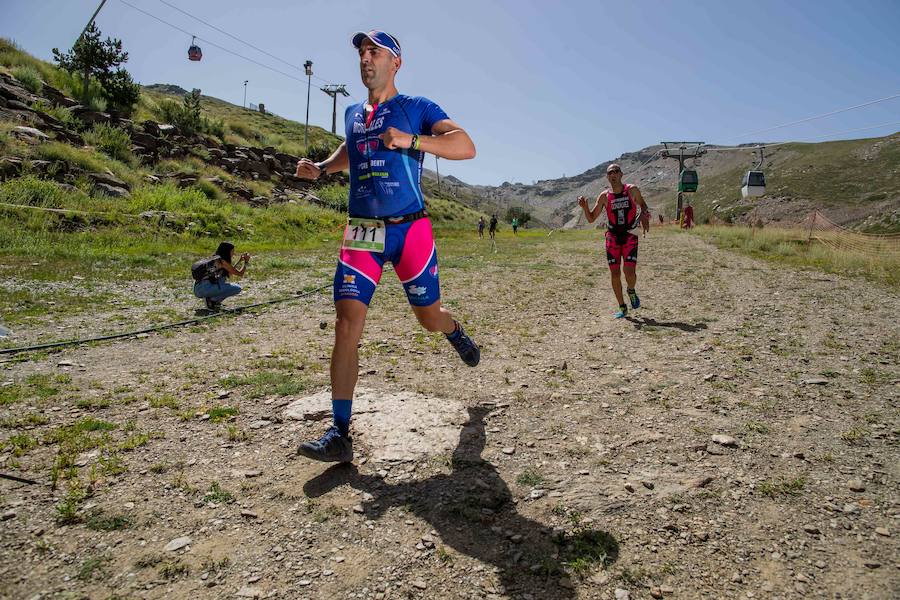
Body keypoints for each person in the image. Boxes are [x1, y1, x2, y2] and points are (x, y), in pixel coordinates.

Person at [293, 30, 480, 463]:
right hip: (362, 232)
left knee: (428, 318)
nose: (365, 58)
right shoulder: (353, 112)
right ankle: (340, 432)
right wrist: (322, 168)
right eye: (361, 51)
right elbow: (353, 149)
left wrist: (410, 140)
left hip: (409, 230)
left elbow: (465, 146)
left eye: (374, 51)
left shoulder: (416, 109)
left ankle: (453, 330)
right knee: (345, 324)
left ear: (396, 62)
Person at [577, 163, 650, 319]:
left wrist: (644, 215)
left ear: (621, 174)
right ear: (607, 177)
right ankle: (622, 307)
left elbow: (643, 205)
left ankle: (631, 290)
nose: (613, 174)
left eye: (616, 171)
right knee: (615, 273)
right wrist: (584, 207)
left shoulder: (632, 190)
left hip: (630, 234)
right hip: (612, 238)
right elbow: (591, 218)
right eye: (610, 172)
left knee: (629, 272)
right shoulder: (604, 196)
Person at [191, 241, 250, 311]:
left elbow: (229, 273)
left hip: (198, 288)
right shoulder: (222, 261)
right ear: (227, 251)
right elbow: (240, 274)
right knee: (237, 288)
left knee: (223, 278)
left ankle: (213, 302)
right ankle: (212, 300)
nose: (233, 254)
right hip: (205, 289)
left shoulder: (214, 259)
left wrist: (240, 261)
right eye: (232, 251)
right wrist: (246, 262)